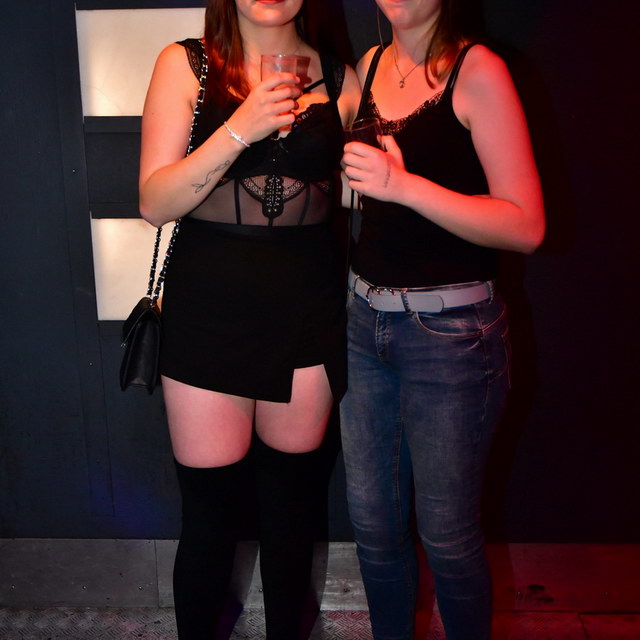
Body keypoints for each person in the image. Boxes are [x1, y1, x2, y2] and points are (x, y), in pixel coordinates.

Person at [138, 1, 360, 638]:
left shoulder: (342, 78)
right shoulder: (187, 64)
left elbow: (350, 193)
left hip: (306, 306)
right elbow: (154, 202)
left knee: (292, 510)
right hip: (210, 305)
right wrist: (240, 127)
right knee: (209, 514)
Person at [340, 1, 545, 639]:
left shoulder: (477, 70)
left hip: (452, 336)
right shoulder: (370, 65)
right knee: (373, 527)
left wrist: (404, 187)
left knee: (448, 535)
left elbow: (526, 225)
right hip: (362, 322)